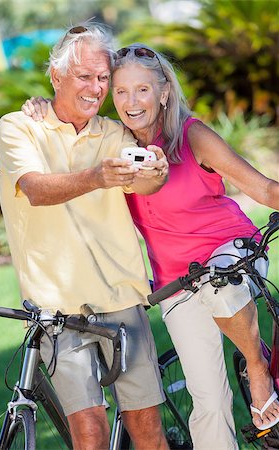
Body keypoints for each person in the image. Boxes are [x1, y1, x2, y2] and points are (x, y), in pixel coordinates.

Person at [23, 41, 279, 450]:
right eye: (121, 91)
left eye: (142, 89)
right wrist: (40, 104)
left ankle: (257, 367)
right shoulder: (115, 144)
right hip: (176, 281)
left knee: (220, 285)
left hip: (231, 252)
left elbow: (263, 187)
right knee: (207, 400)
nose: (131, 100)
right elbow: (67, 125)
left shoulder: (192, 135)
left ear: (163, 93)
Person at [0, 25, 171, 450]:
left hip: (121, 297)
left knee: (147, 429)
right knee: (88, 432)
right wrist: (95, 177)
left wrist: (156, 174)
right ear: (56, 77)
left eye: (103, 78)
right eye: (84, 76)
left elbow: (143, 185)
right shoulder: (18, 127)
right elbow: (36, 189)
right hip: (57, 305)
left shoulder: (114, 134)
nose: (96, 88)